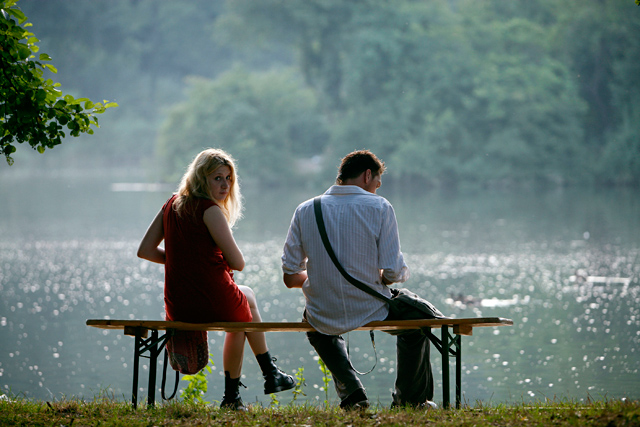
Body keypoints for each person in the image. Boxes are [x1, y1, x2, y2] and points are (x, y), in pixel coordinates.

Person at [138, 148, 295, 410]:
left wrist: (184, 261)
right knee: (242, 315)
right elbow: (238, 263)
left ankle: (266, 377)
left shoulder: (170, 204)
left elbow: (145, 250)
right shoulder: (210, 210)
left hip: (178, 304)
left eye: (229, 178)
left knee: (246, 300)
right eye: (217, 178)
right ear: (201, 179)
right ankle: (254, 383)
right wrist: (193, 261)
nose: (225, 185)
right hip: (210, 297)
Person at [281, 150, 435, 410]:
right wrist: (375, 277)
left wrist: (323, 276)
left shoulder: (306, 209)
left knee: (316, 328)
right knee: (416, 327)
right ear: (367, 175)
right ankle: (409, 400)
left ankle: (353, 395)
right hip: (372, 307)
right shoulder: (380, 207)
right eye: (377, 182)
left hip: (323, 309)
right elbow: (394, 273)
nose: (376, 188)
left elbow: (289, 277)